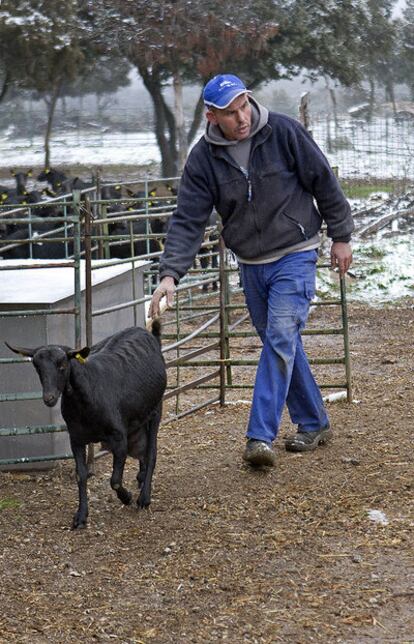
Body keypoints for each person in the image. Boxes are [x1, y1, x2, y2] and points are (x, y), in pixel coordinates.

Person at [149, 73, 354, 467]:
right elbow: (188, 220)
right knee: (281, 342)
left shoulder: (283, 132)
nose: (241, 117)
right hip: (250, 262)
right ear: (212, 116)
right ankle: (314, 421)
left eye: (243, 105)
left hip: (295, 251)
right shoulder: (203, 158)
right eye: (230, 112)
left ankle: (259, 436)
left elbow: (323, 181)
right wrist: (170, 274)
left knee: (279, 336)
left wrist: (341, 235)